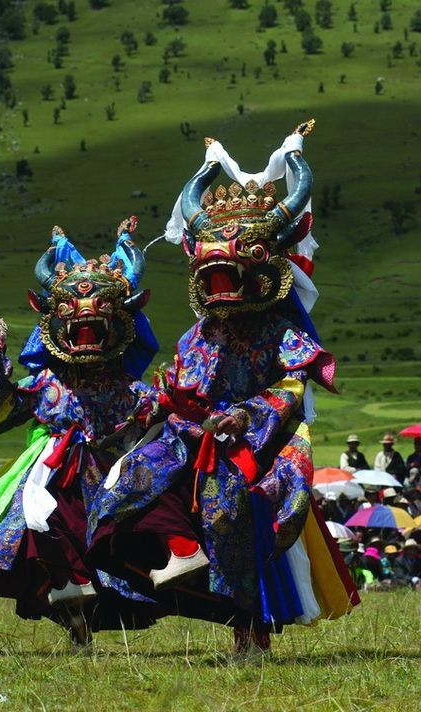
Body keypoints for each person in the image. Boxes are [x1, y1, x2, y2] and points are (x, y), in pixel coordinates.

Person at [87, 122, 360, 657]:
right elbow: (179, 385)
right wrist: (162, 398)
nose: (219, 283)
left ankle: (249, 629)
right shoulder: (198, 334)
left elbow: (290, 385)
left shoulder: (281, 332)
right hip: (193, 435)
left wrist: (246, 416)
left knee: (227, 507)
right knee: (122, 489)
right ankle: (172, 563)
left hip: (260, 445)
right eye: (211, 273)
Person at [0, 221, 160, 648]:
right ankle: (72, 615)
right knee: (38, 532)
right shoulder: (46, 384)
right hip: (47, 474)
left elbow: (159, 418)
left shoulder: (132, 389)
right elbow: (1, 404)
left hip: (109, 478)